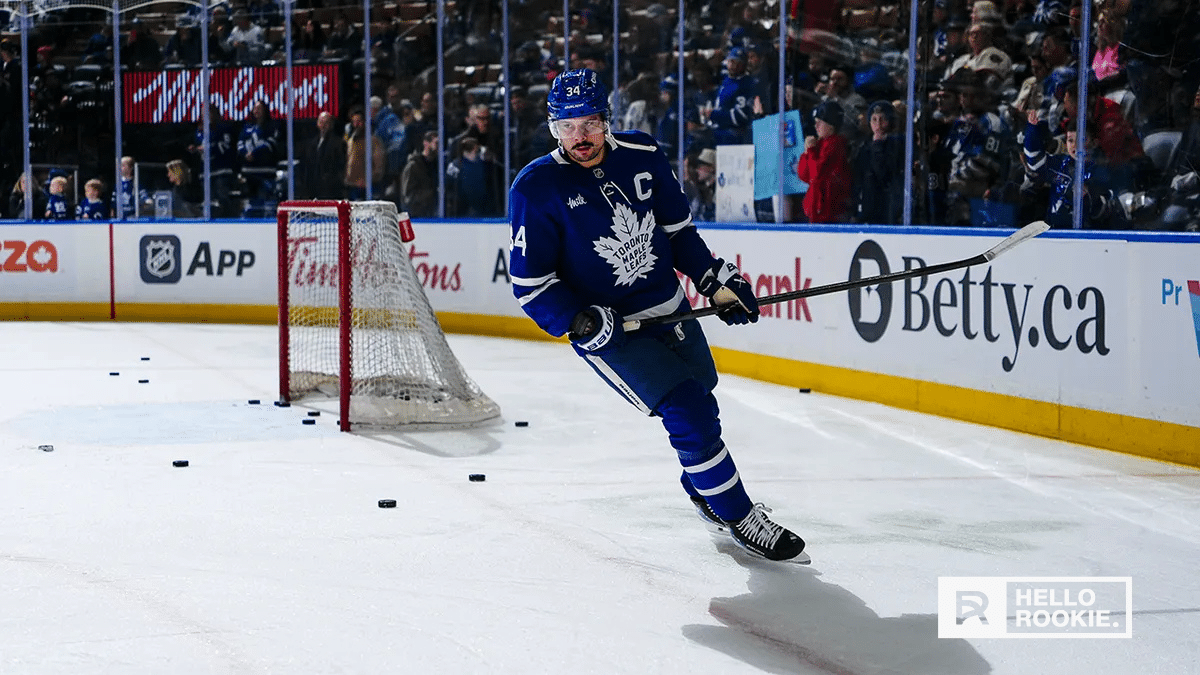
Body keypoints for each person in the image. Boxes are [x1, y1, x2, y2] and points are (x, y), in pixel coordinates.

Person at [507, 68, 808, 563]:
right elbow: (531, 285)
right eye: (566, 127)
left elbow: (678, 233)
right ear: (552, 128)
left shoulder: (644, 154)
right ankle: (739, 515)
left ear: (607, 119)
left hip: (670, 308)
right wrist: (580, 322)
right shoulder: (535, 187)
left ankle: (705, 494)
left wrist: (714, 279)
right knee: (686, 408)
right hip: (611, 332)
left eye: (588, 124)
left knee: (702, 398)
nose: (579, 138)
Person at [796, 100, 852, 224]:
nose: (816, 127)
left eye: (820, 123)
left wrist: (810, 152)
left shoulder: (835, 145)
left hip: (829, 212)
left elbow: (817, 174)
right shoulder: (819, 144)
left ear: (831, 126)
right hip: (816, 211)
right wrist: (806, 153)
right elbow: (804, 175)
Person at [401, 130, 439, 217]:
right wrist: (432, 193)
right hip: (417, 215)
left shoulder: (438, 165)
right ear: (426, 143)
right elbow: (408, 196)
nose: (438, 147)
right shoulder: (413, 166)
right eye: (436, 143)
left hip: (433, 214)